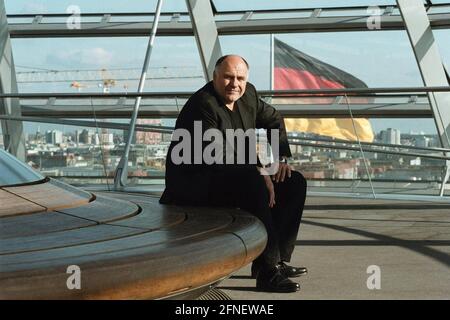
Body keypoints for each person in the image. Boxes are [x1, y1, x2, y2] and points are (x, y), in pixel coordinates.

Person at [160, 55, 307, 293]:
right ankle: (268, 273)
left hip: (234, 174)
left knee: (293, 182)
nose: (234, 84)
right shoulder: (203, 105)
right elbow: (217, 156)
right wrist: (261, 172)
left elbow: (274, 119)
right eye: (228, 77)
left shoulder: (248, 95)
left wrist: (276, 162)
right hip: (195, 182)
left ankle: (274, 259)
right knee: (253, 183)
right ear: (215, 77)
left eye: (240, 78)